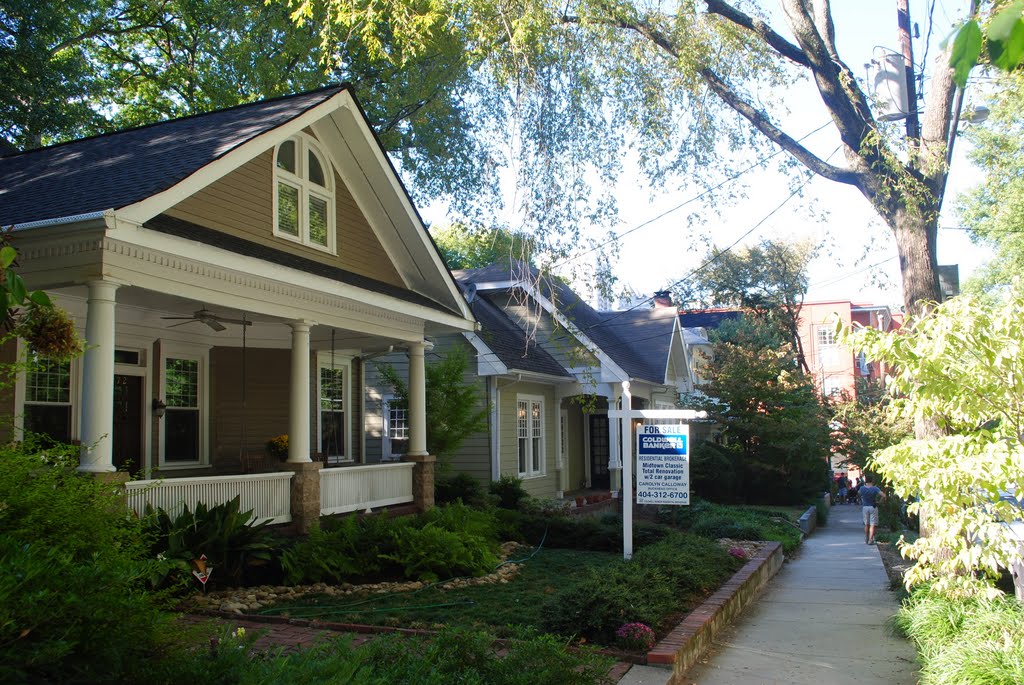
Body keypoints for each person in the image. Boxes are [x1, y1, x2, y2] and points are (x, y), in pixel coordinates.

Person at [859, 476, 885, 544]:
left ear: (865, 481)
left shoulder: (862, 488)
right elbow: (883, 495)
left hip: (865, 507)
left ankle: (866, 538)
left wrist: (862, 499)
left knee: (866, 524)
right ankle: (871, 539)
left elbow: (858, 494)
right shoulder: (875, 488)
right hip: (873, 506)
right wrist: (880, 501)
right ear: (872, 481)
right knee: (872, 524)